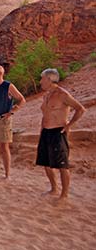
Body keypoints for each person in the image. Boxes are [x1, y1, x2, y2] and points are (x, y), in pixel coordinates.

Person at [36, 68, 86, 201]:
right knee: (46, 163)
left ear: (49, 79)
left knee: (62, 165)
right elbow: (45, 114)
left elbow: (80, 108)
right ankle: (54, 188)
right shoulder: (46, 95)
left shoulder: (62, 94)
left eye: (42, 78)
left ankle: (64, 194)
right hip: (46, 132)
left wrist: (69, 125)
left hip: (58, 131)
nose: (40, 81)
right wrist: (41, 129)